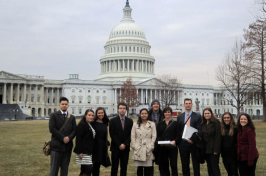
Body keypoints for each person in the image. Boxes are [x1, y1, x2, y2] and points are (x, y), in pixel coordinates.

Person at [49, 97, 76, 176]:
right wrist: (63, 138)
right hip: (56, 146)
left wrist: (69, 138)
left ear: (68, 105)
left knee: (65, 169)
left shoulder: (72, 117)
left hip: (67, 147)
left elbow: (74, 130)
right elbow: (52, 129)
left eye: (66, 104)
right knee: (54, 169)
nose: (64, 105)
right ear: (59, 105)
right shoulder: (54, 115)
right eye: (62, 104)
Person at [176, 98, 202, 176]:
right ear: (184, 105)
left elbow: (199, 129)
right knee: (185, 164)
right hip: (183, 143)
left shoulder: (197, 116)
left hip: (194, 143)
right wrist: (184, 138)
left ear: (192, 104)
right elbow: (178, 130)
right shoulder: (180, 116)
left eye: (189, 103)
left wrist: (192, 140)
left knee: (196, 164)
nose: (188, 105)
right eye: (186, 103)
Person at [109, 102, 133, 176]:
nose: (122, 110)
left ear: (126, 110)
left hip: (125, 148)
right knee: (114, 168)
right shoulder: (113, 121)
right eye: (120, 108)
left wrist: (125, 144)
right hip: (115, 147)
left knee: (124, 168)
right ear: (118, 109)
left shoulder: (130, 121)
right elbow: (112, 134)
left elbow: (131, 135)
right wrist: (119, 144)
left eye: (124, 108)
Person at [131, 108, 156, 176]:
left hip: (148, 147)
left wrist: (151, 146)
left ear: (148, 114)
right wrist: (134, 145)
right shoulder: (135, 124)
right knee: (140, 169)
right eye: (142, 113)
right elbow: (133, 136)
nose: (144, 115)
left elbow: (154, 136)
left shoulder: (152, 124)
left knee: (149, 169)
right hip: (139, 147)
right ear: (140, 114)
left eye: (145, 113)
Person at [156, 107, 181, 176]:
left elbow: (179, 135)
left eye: (169, 112)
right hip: (163, 148)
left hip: (172, 148)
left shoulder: (175, 123)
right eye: (166, 112)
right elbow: (158, 136)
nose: (167, 113)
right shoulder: (160, 124)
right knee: (164, 165)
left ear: (171, 113)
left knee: (173, 165)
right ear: (163, 113)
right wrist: (160, 142)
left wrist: (175, 141)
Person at [74, 109, 95, 176]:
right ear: (85, 115)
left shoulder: (89, 124)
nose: (91, 117)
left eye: (92, 115)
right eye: (89, 115)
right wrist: (79, 151)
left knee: (84, 171)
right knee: (89, 169)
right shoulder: (82, 125)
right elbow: (78, 139)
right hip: (83, 152)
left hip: (89, 151)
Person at [201, 107, 221, 176]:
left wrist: (216, 150)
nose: (206, 115)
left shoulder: (216, 122)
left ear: (211, 114)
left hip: (213, 149)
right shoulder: (203, 123)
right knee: (209, 168)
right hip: (206, 149)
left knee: (215, 168)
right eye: (205, 113)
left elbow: (218, 137)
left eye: (208, 113)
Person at [92, 107, 110, 176]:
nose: (100, 114)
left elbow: (103, 135)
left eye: (102, 113)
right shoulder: (93, 123)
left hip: (102, 147)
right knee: (94, 165)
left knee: (98, 165)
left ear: (104, 113)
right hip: (94, 146)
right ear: (96, 114)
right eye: (99, 113)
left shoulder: (105, 123)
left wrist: (107, 142)